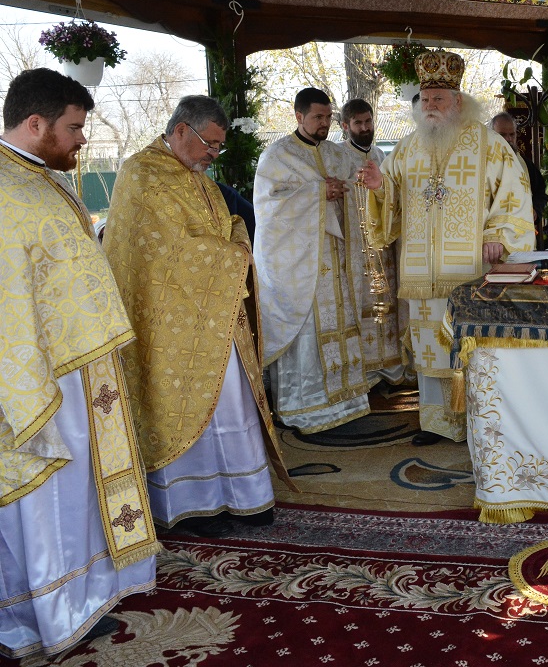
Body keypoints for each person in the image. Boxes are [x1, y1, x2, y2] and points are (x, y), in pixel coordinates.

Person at [0, 68, 158, 660]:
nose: (81, 140)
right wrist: (24, 385)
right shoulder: (6, 190)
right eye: (72, 128)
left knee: (75, 494)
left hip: (81, 366)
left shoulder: (38, 178)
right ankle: (49, 612)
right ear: (34, 123)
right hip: (39, 377)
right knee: (48, 498)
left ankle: (79, 595)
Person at [104, 95, 291, 538]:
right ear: (181, 130)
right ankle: (196, 502)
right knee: (186, 407)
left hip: (216, 309)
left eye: (219, 147)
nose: (213, 153)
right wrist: (231, 256)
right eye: (210, 143)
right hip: (171, 325)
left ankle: (244, 497)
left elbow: (228, 223)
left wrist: (237, 242)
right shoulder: (141, 173)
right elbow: (167, 252)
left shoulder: (197, 176)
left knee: (233, 402)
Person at [359, 51, 535, 445]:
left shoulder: (489, 144)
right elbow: (392, 197)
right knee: (430, 350)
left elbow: (514, 197)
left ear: (458, 101)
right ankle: (437, 423)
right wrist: (378, 187)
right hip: (423, 273)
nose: (431, 105)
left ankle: (479, 423)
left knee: (471, 348)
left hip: (470, 270)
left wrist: (499, 236)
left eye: (439, 97)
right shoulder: (406, 147)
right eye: (425, 97)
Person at [254, 88, 372, 433]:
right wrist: (317, 194)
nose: (324, 123)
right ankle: (306, 408)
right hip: (302, 266)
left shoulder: (338, 154)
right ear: (299, 116)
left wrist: (350, 190)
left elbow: (360, 190)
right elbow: (268, 209)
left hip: (338, 260)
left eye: (328, 117)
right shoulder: (277, 157)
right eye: (318, 117)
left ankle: (346, 401)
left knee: (342, 322)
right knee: (308, 330)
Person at [332, 98, 414, 388]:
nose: (365, 128)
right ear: (345, 126)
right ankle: (365, 370)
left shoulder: (382, 156)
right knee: (363, 303)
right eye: (358, 123)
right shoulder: (338, 159)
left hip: (386, 247)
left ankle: (391, 365)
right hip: (356, 249)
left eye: (368, 122)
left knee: (389, 303)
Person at [491, 111, 546, 230]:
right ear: (491, 135)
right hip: (492, 232)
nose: (508, 139)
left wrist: (535, 211)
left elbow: (540, 193)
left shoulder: (525, 165)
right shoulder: (484, 163)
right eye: (502, 135)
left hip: (520, 232)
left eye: (512, 134)